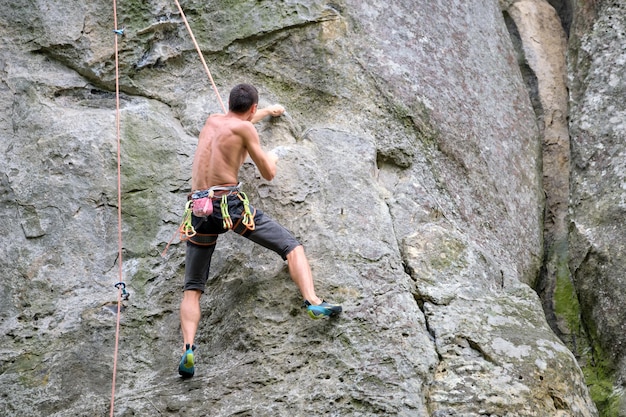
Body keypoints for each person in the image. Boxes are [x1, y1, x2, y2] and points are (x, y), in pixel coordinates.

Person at [178, 83, 342, 378]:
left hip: (198, 210)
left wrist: (266, 112)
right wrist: (274, 156)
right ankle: (313, 301)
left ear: (229, 103)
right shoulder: (245, 130)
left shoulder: (212, 121)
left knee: (193, 289)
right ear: (251, 108)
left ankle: (188, 349)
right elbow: (268, 173)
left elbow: (236, 125)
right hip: (229, 208)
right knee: (292, 246)